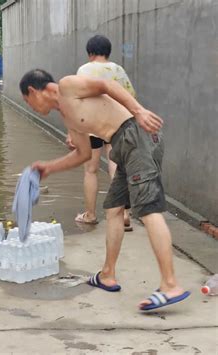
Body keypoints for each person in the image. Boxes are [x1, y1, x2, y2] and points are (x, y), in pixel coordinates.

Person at [19, 69, 190, 311]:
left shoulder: (68, 86)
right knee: (113, 209)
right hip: (123, 147)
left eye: (28, 101)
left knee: (148, 208)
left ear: (35, 91)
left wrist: (139, 111)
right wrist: (48, 167)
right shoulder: (68, 118)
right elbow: (83, 154)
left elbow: (107, 85)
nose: (30, 106)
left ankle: (170, 284)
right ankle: (107, 274)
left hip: (136, 135)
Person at [70, 35, 135, 231]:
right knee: (116, 169)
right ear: (108, 52)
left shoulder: (84, 70)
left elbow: (76, 100)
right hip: (116, 125)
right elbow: (130, 96)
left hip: (91, 126)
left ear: (90, 53)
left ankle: (90, 215)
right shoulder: (118, 70)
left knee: (91, 170)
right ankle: (123, 213)